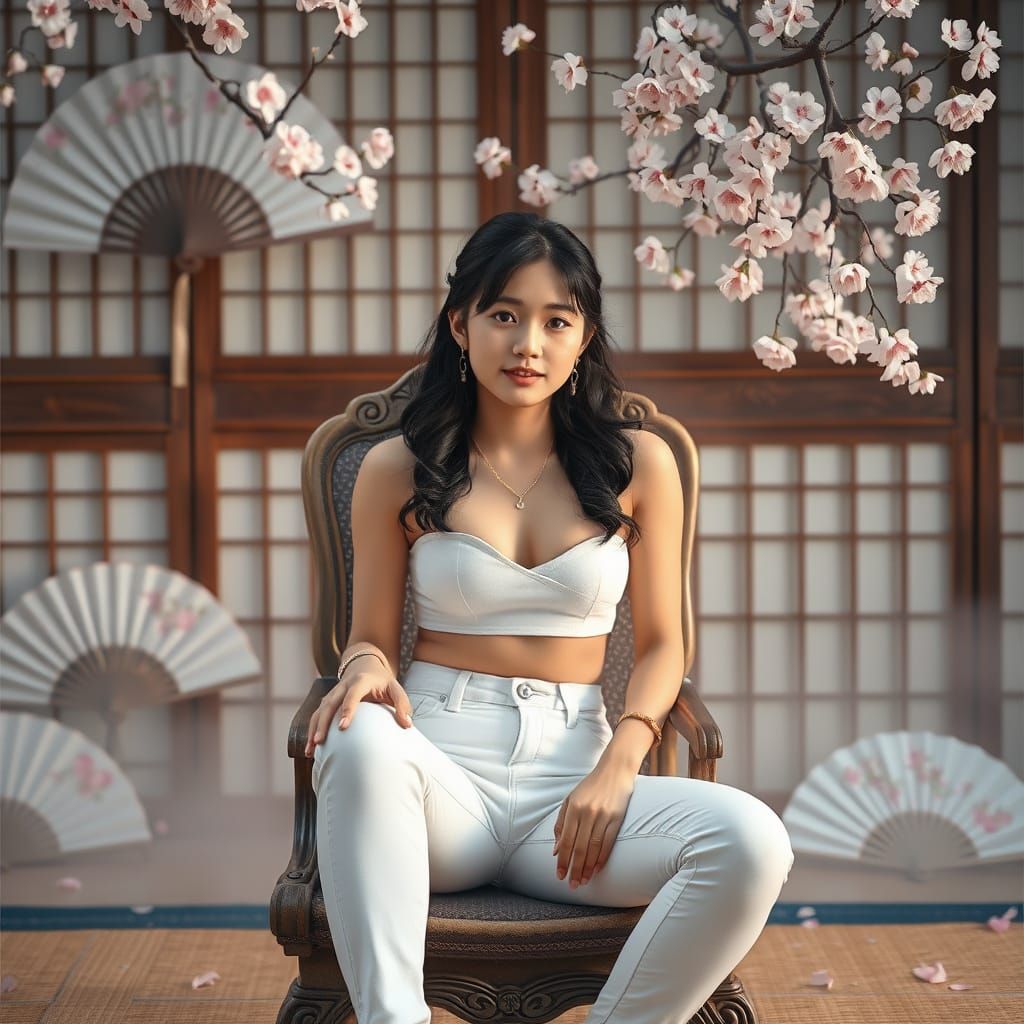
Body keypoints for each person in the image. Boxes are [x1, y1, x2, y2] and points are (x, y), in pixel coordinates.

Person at [304, 210, 795, 1024]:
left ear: (582, 336)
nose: (527, 343)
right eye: (504, 315)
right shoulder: (398, 468)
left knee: (752, 841)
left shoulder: (641, 463)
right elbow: (370, 637)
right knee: (358, 739)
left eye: (554, 320)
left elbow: (667, 643)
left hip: (573, 790)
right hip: (439, 782)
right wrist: (362, 666)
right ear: (461, 325)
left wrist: (622, 762)